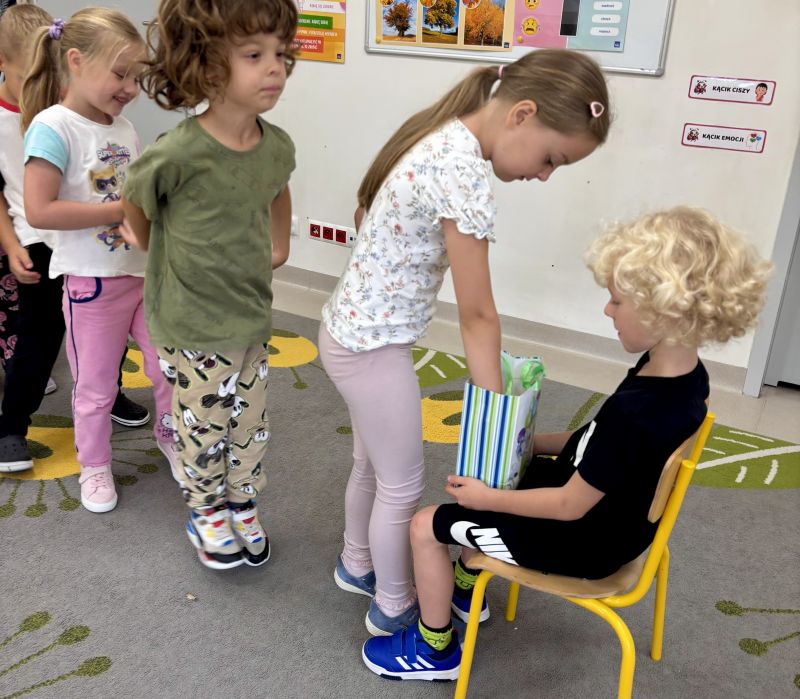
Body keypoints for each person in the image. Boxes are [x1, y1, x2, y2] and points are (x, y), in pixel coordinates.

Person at [361, 206, 772, 681]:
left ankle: (435, 650)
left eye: (617, 301)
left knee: (426, 525)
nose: (607, 310)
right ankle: (467, 588)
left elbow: (568, 505)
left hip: (582, 541)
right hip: (621, 524)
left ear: (664, 310)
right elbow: (593, 442)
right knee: (505, 475)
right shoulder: (685, 380)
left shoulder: (636, 414)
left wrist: (487, 499)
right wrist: (532, 443)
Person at [319, 49, 610, 636]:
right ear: (522, 114)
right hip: (372, 350)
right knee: (402, 487)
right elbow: (477, 316)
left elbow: (365, 214)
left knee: (372, 467)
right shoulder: (463, 171)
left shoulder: (441, 135)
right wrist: (496, 420)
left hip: (346, 333)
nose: (544, 175)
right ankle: (394, 607)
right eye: (551, 159)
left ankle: (357, 564)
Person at [120, 0, 297, 570]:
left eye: (280, 54)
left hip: (250, 312)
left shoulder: (276, 145)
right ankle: (205, 509)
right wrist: (152, 247)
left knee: (250, 420)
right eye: (254, 55)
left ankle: (241, 501)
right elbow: (135, 203)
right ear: (207, 64)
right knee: (203, 423)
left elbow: (278, 187)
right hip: (191, 320)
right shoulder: (178, 152)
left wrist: (279, 245)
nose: (275, 68)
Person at [20, 8, 173, 508]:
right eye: (120, 74)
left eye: (136, 78)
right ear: (76, 61)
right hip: (93, 284)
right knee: (96, 387)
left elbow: (135, 198)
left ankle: (172, 438)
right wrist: (118, 209)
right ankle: (94, 465)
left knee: (169, 369)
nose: (130, 88)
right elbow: (40, 210)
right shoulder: (52, 126)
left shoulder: (124, 128)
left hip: (144, 276)